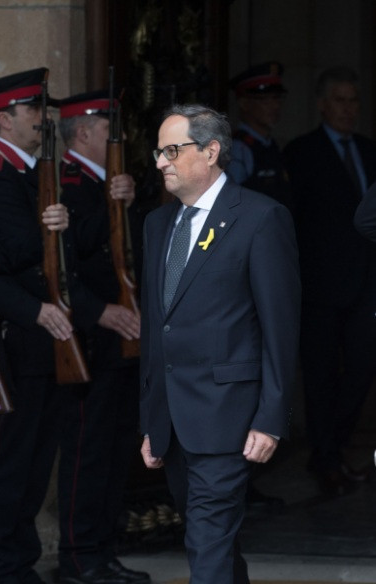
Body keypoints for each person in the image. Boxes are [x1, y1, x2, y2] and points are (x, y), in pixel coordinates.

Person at [140, 104, 300, 583]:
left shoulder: (260, 218)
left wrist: (272, 418)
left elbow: (280, 328)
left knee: (206, 545)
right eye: (159, 151)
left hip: (229, 416)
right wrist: (150, 419)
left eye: (173, 150)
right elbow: (156, 330)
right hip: (173, 420)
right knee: (213, 541)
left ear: (211, 152)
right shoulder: (157, 225)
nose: (160, 162)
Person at [0, 67, 72, 584]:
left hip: (44, 337)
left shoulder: (33, 174)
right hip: (20, 334)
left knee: (34, 463)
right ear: (5, 119)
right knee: (7, 463)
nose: (42, 118)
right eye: (33, 110)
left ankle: (18, 561)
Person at [55, 90, 148, 584]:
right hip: (91, 336)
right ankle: (77, 554)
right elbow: (68, 261)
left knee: (114, 449)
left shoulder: (106, 183)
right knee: (87, 450)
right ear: (85, 133)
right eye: (110, 130)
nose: (121, 139)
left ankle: (102, 548)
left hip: (124, 336)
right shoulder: (68, 181)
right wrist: (98, 314)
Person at [283, 66, 376, 496]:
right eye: (339, 100)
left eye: (353, 100)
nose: (347, 108)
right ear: (322, 105)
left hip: (365, 286)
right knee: (319, 376)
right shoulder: (301, 152)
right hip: (319, 287)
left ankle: (332, 449)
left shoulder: (369, 151)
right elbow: (290, 222)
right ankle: (326, 458)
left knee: (360, 370)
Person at [227, 61, 291, 207]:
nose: (275, 106)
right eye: (264, 100)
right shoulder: (238, 149)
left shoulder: (271, 145)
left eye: (277, 98)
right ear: (244, 103)